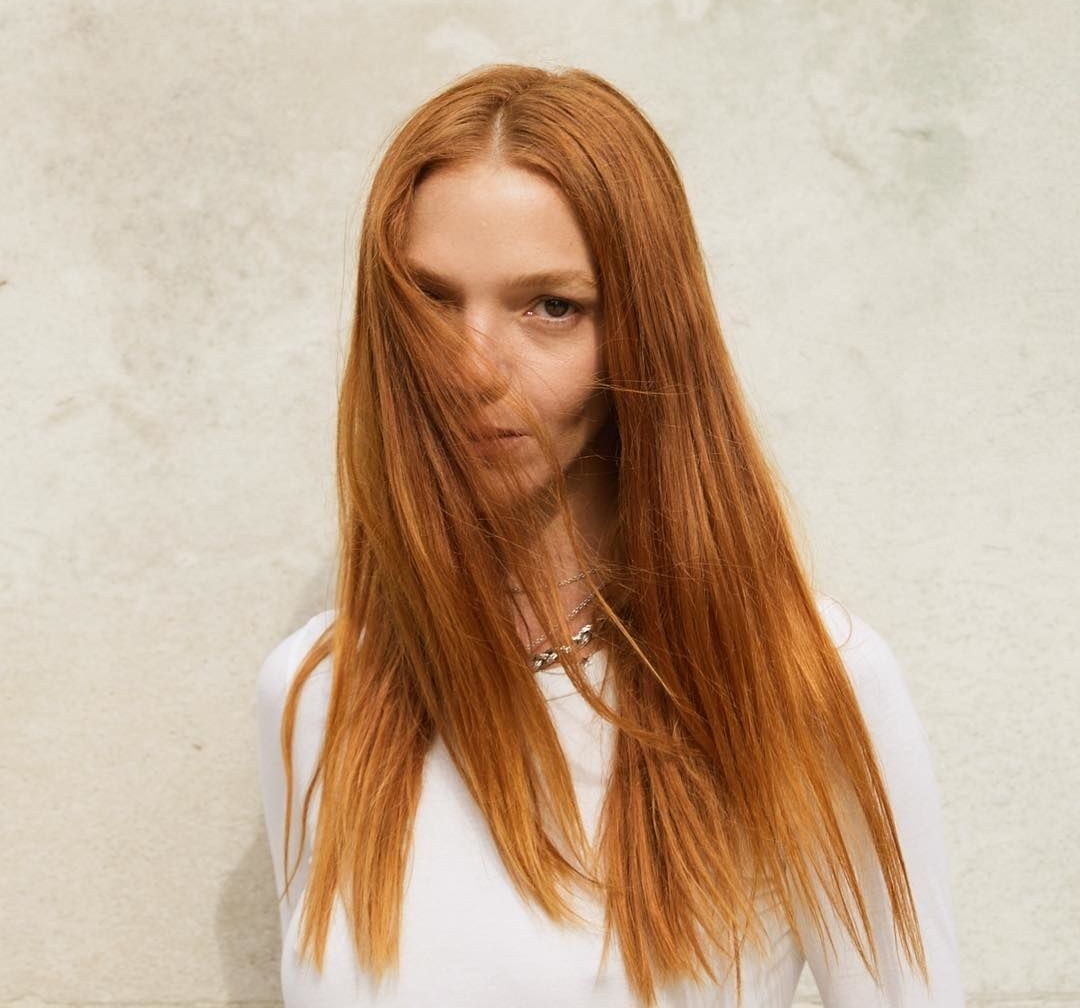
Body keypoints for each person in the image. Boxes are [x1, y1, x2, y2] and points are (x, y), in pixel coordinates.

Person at [255, 64, 965, 1007]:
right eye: (430, 301)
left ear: (643, 332)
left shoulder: (804, 683)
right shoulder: (318, 693)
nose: (471, 367)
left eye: (550, 306)